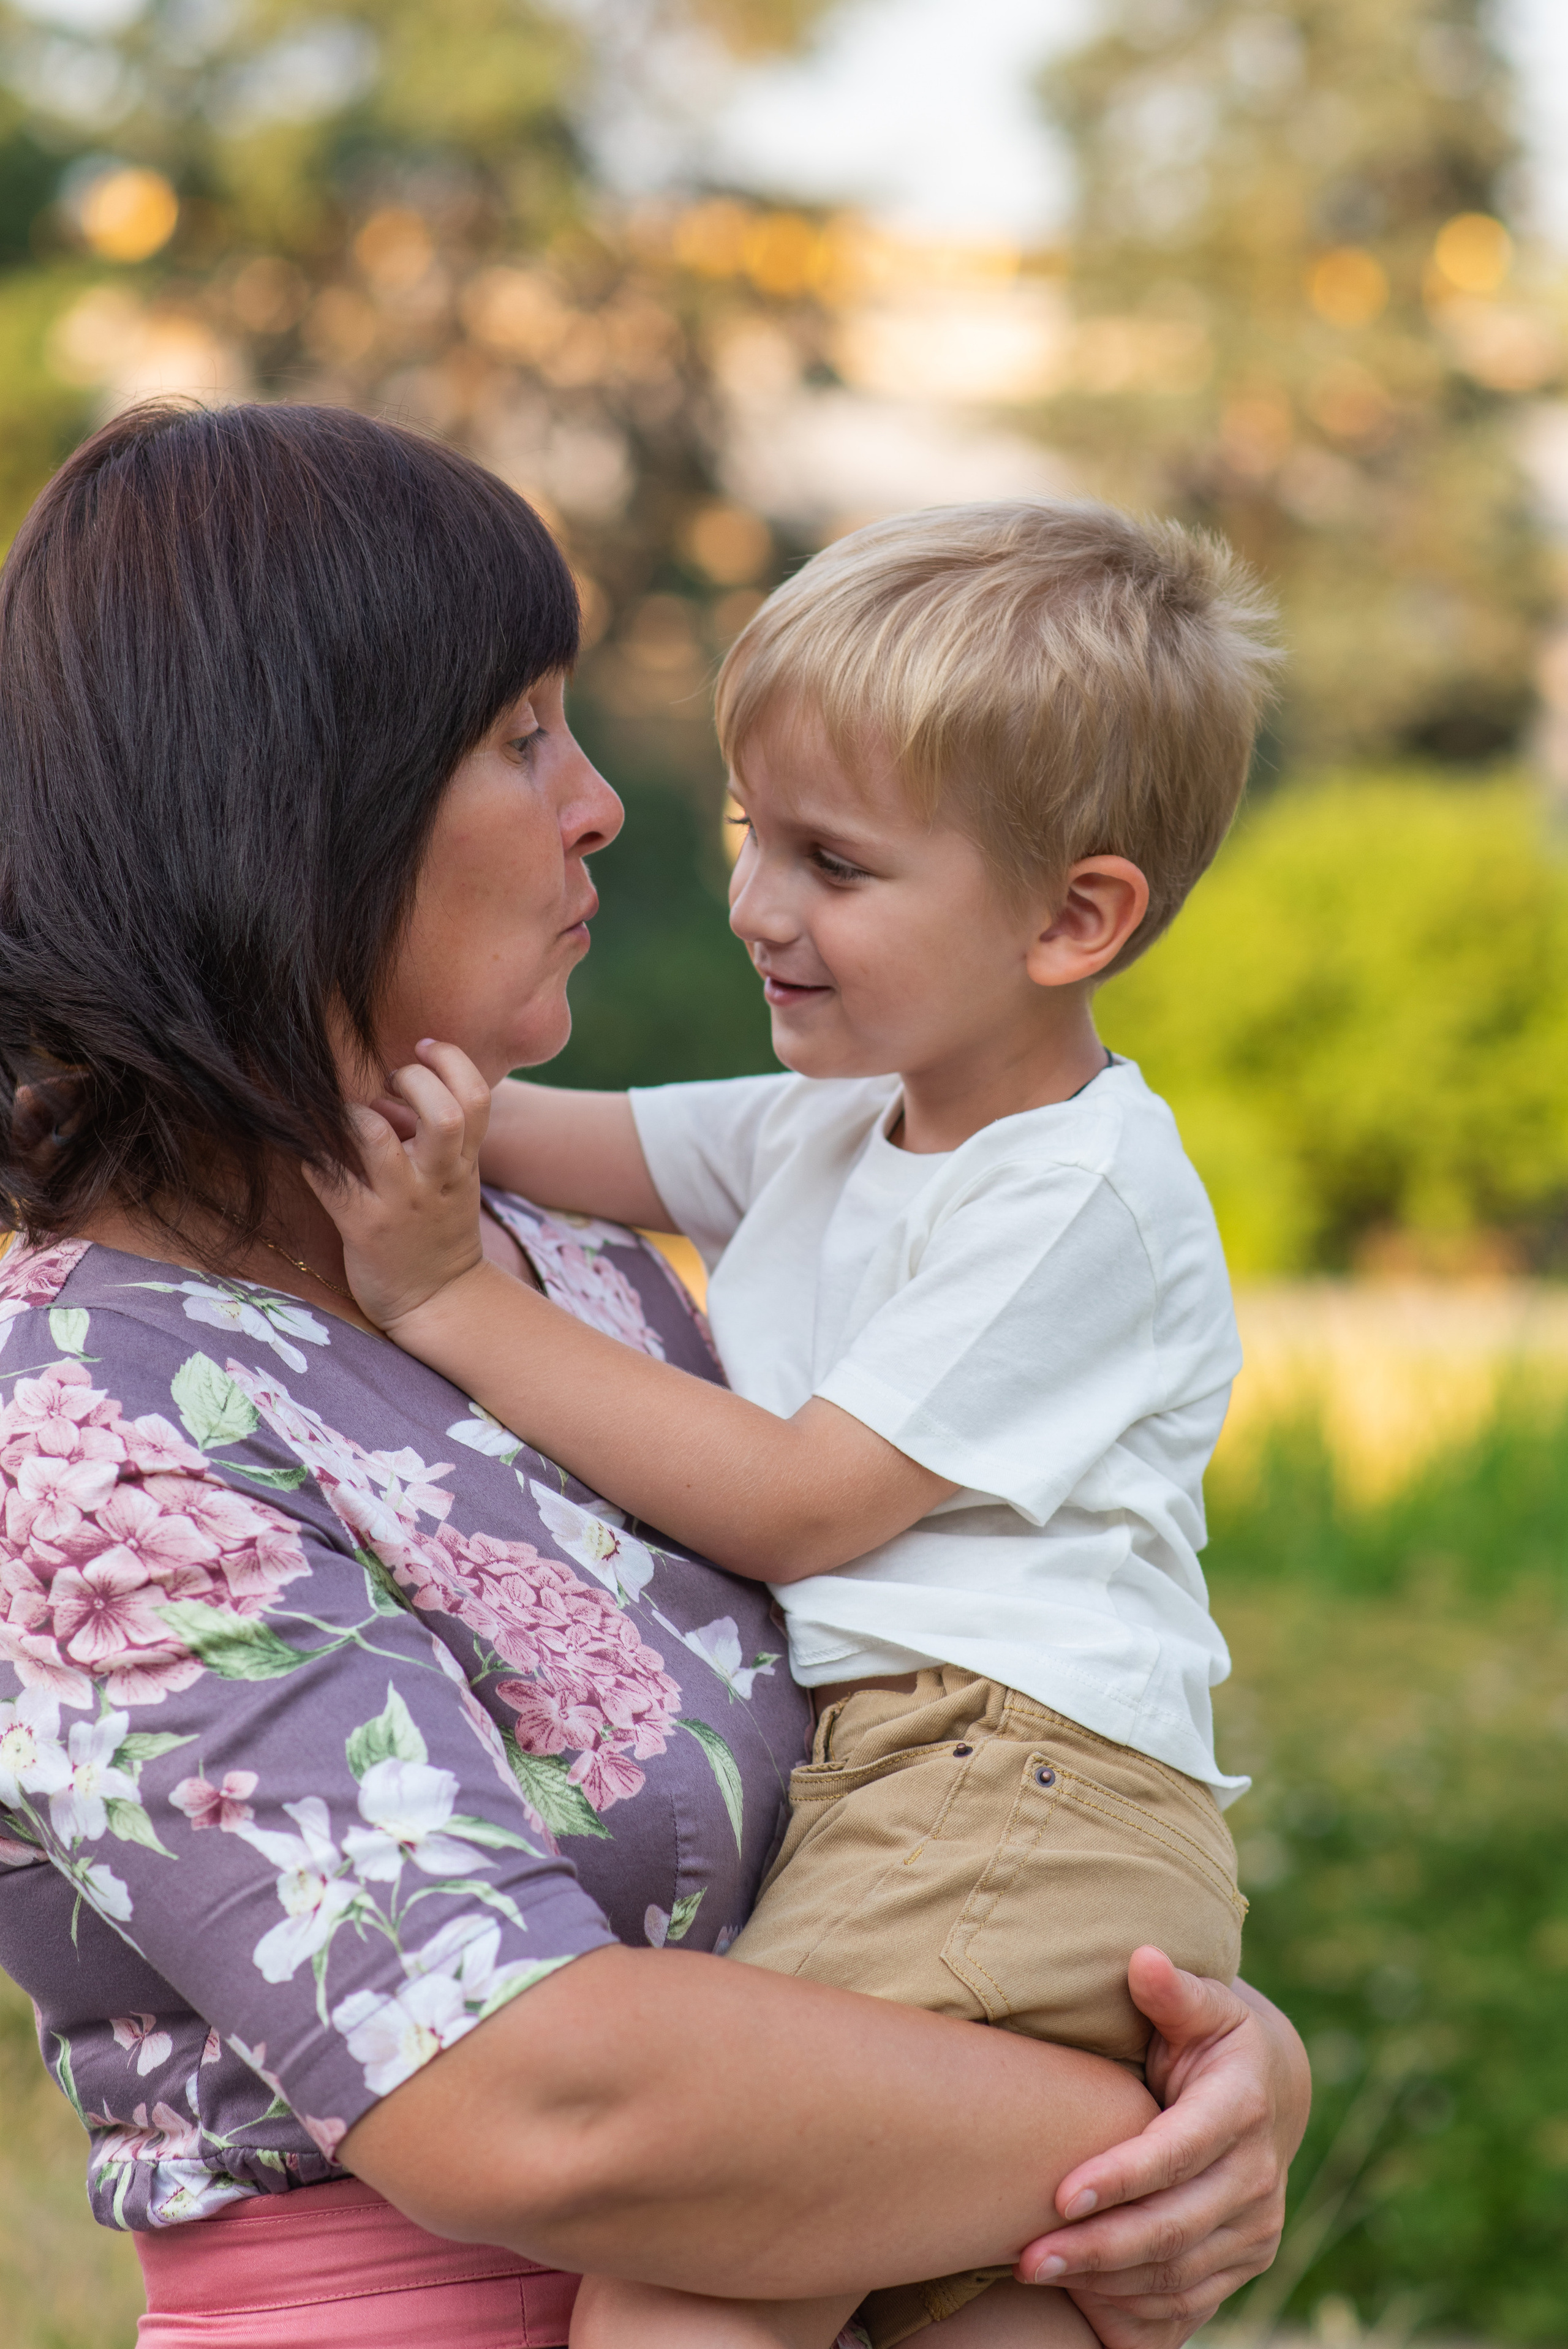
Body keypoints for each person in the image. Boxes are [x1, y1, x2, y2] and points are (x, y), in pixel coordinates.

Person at [0, 403, 1308, 2349]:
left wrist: (1229, 2074)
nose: (604, 803)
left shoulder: (570, 1272)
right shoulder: (83, 1419)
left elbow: (915, 1804)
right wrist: (1127, 2128)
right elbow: (546, 2096)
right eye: (526, 733)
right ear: (301, 800)